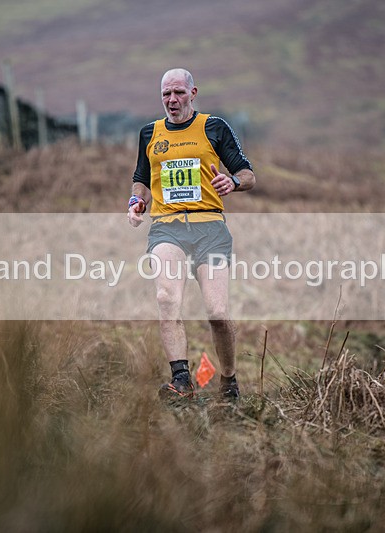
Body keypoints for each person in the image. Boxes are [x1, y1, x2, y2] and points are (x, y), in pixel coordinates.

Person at [127, 68, 256, 400]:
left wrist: (234, 182)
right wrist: (137, 201)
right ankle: (181, 380)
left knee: (217, 313)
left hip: (209, 228)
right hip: (167, 229)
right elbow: (141, 178)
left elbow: (247, 173)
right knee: (166, 299)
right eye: (166, 94)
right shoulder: (149, 133)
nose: (172, 100)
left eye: (179, 93)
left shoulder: (214, 127)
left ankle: (228, 381)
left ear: (193, 93)